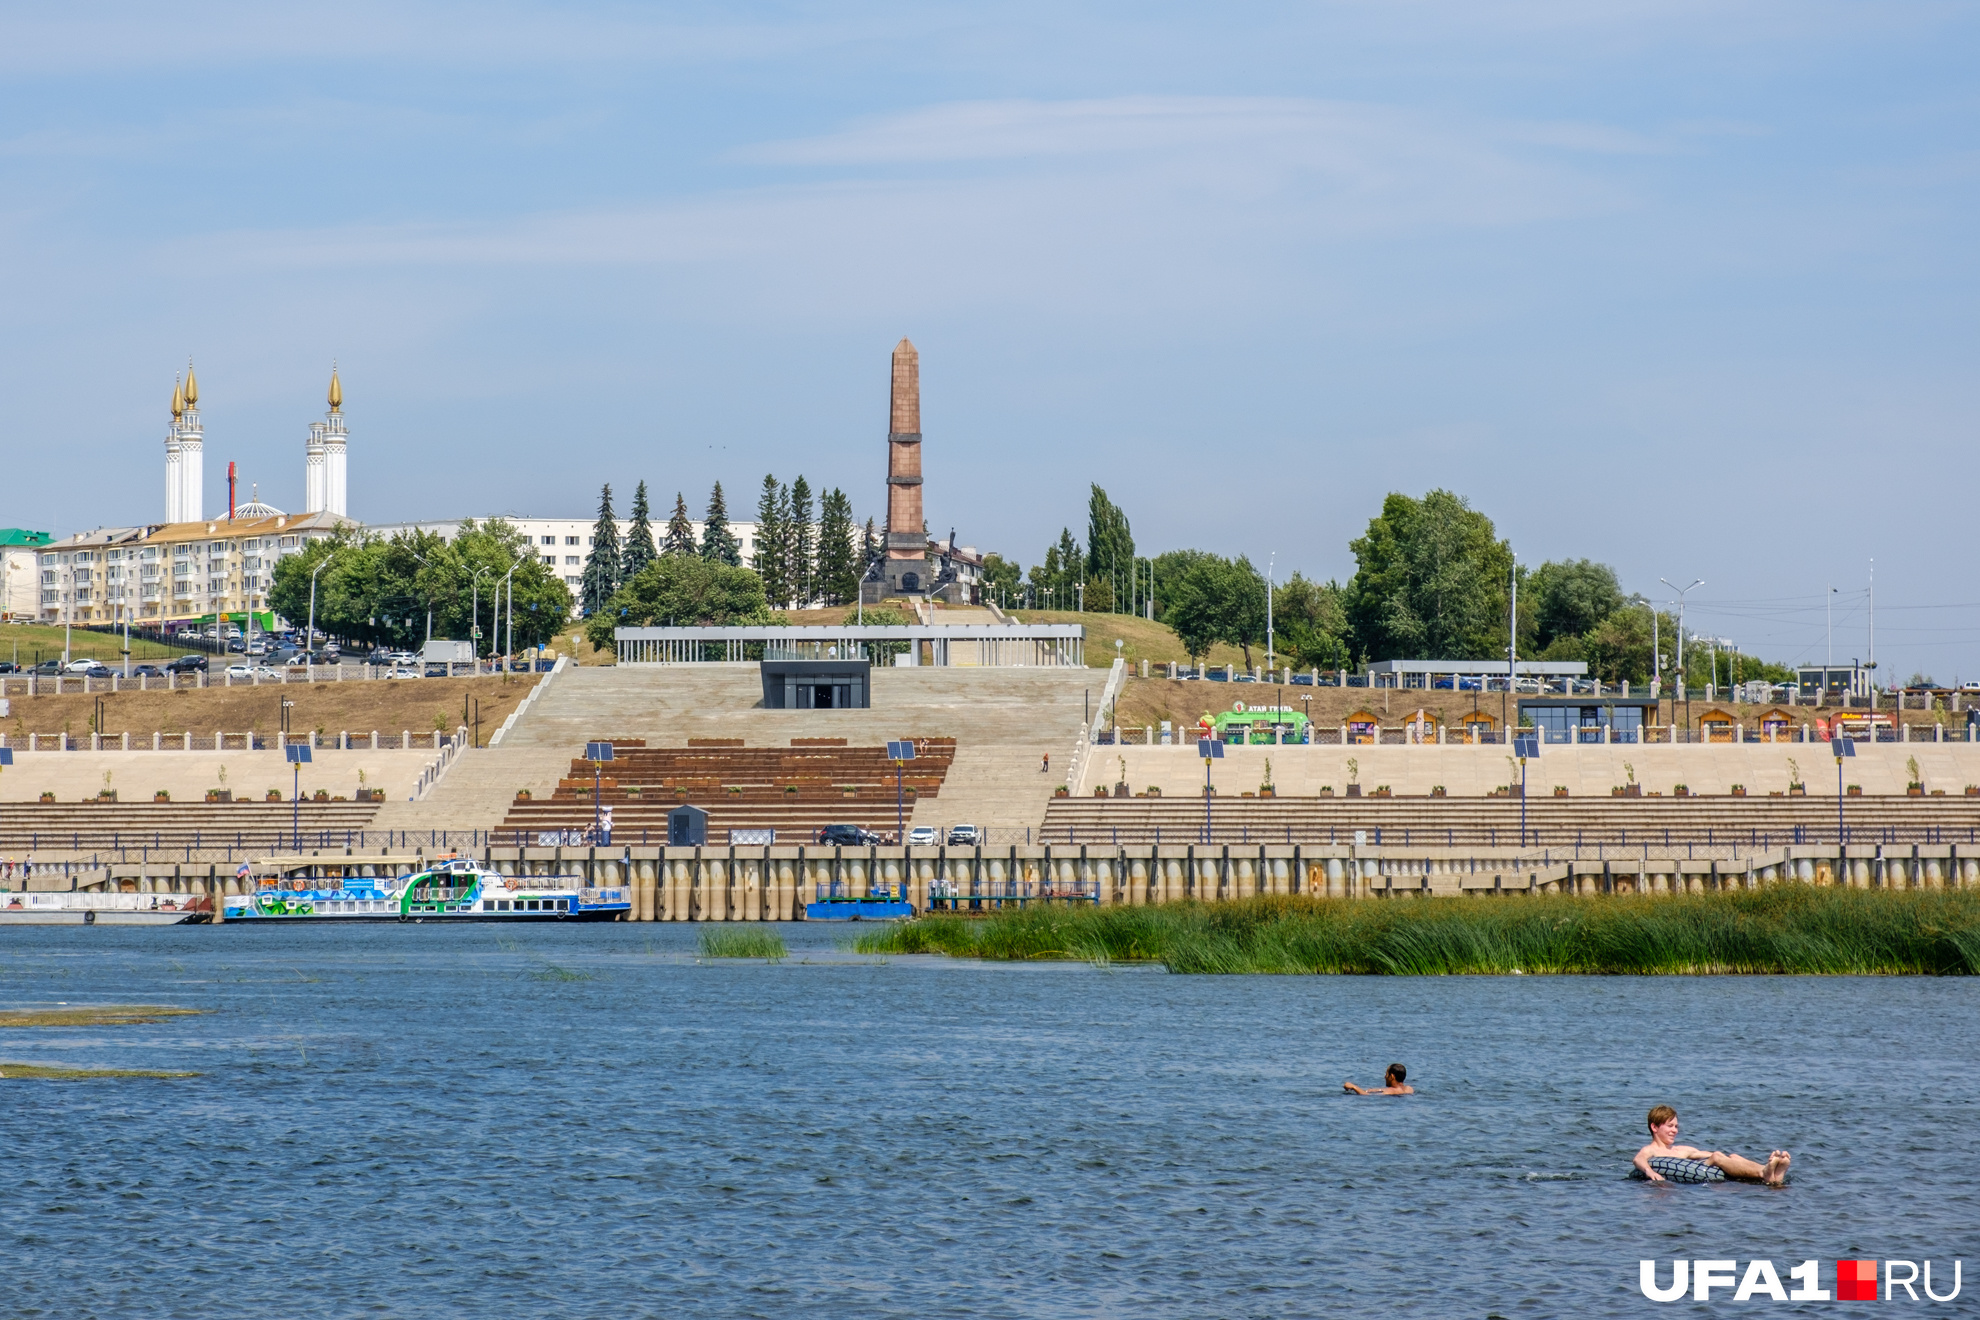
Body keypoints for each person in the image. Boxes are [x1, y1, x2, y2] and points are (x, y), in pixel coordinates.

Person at [1633, 1105, 1789, 1185]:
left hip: (1697, 1167)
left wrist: (1731, 1159)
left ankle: (1770, 1173)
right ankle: (1764, 1173)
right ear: (1655, 1127)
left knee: (1729, 1156)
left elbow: (1702, 1154)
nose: (1675, 1130)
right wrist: (1649, 1171)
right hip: (1689, 1181)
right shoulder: (1651, 1150)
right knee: (1716, 1156)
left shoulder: (1682, 1150)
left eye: (1676, 1126)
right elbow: (1638, 1159)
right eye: (1670, 1126)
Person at [1343, 1063, 1413, 1095]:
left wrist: (1354, 1087)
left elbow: (1367, 1097)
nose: (1385, 1077)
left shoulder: (1389, 1092)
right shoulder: (1409, 1089)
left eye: (1386, 1074)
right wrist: (1373, 1090)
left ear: (1392, 1077)